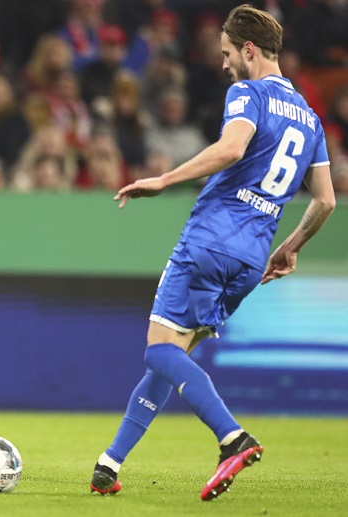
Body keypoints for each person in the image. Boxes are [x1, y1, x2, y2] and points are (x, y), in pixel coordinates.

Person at [91, 4, 336, 501]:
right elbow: (326, 199)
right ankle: (109, 463)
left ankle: (232, 438)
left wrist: (164, 178)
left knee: (158, 349)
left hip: (209, 240)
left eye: (227, 54)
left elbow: (230, 149)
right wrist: (290, 247)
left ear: (249, 50)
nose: (224, 65)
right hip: (251, 258)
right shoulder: (310, 119)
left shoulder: (247, 92)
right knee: (171, 354)